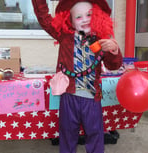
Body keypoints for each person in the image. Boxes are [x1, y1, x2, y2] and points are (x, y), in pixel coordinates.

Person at [32, 0, 123, 153]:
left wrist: (114, 50)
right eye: (79, 17)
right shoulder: (64, 36)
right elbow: (44, 19)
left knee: (95, 134)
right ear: (70, 20)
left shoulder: (101, 39)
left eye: (89, 14)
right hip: (69, 96)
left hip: (92, 98)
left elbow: (113, 66)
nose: (85, 19)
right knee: (67, 134)